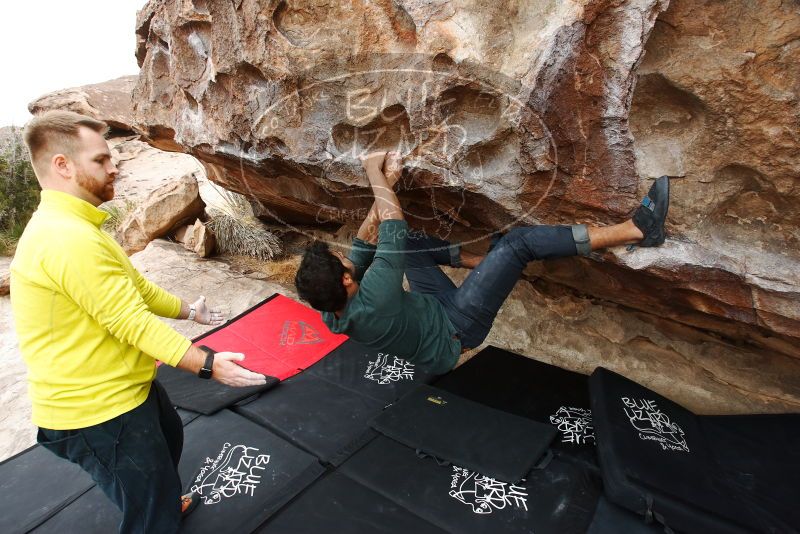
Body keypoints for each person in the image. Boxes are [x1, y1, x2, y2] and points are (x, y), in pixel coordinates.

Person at [10, 110, 268, 534]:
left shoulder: (78, 226)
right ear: (63, 165)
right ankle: (156, 511)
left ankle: (158, 497)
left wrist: (189, 311)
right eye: (100, 160)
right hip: (95, 411)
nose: (114, 166)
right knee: (151, 515)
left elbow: (138, 291)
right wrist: (207, 364)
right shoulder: (66, 238)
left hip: (123, 388)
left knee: (168, 437)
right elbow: (130, 321)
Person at [295, 150, 669, 374]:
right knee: (518, 243)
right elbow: (393, 222)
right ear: (346, 280)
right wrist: (375, 174)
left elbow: (365, 240)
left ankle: (486, 263)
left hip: (428, 313)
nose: (345, 256)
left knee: (406, 245)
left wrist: (386, 183)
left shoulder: (332, 309)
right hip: (456, 330)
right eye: (339, 260)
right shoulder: (375, 295)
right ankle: (637, 230)